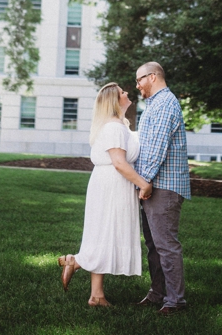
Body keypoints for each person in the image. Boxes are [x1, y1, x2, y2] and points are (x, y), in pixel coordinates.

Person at [58, 84, 152, 305]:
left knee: (102, 234)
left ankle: (96, 295)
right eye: (122, 92)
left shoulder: (118, 125)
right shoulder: (114, 127)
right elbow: (119, 163)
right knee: (107, 233)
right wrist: (143, 184)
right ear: (114, 100)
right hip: (112, 186)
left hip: (107, 183)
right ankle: (77, 261)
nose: (127, 93)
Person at [131, 62, 190, 314]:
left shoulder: (166, 104)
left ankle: (176, 301)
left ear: (152, 77)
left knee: (166, 245)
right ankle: (157, 293)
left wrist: (143, 182)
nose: (137, 85)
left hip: (163, 186)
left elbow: (156, 150)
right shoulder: (154, 104)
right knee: (154, 245)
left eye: (139, 80)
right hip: (153, 184)